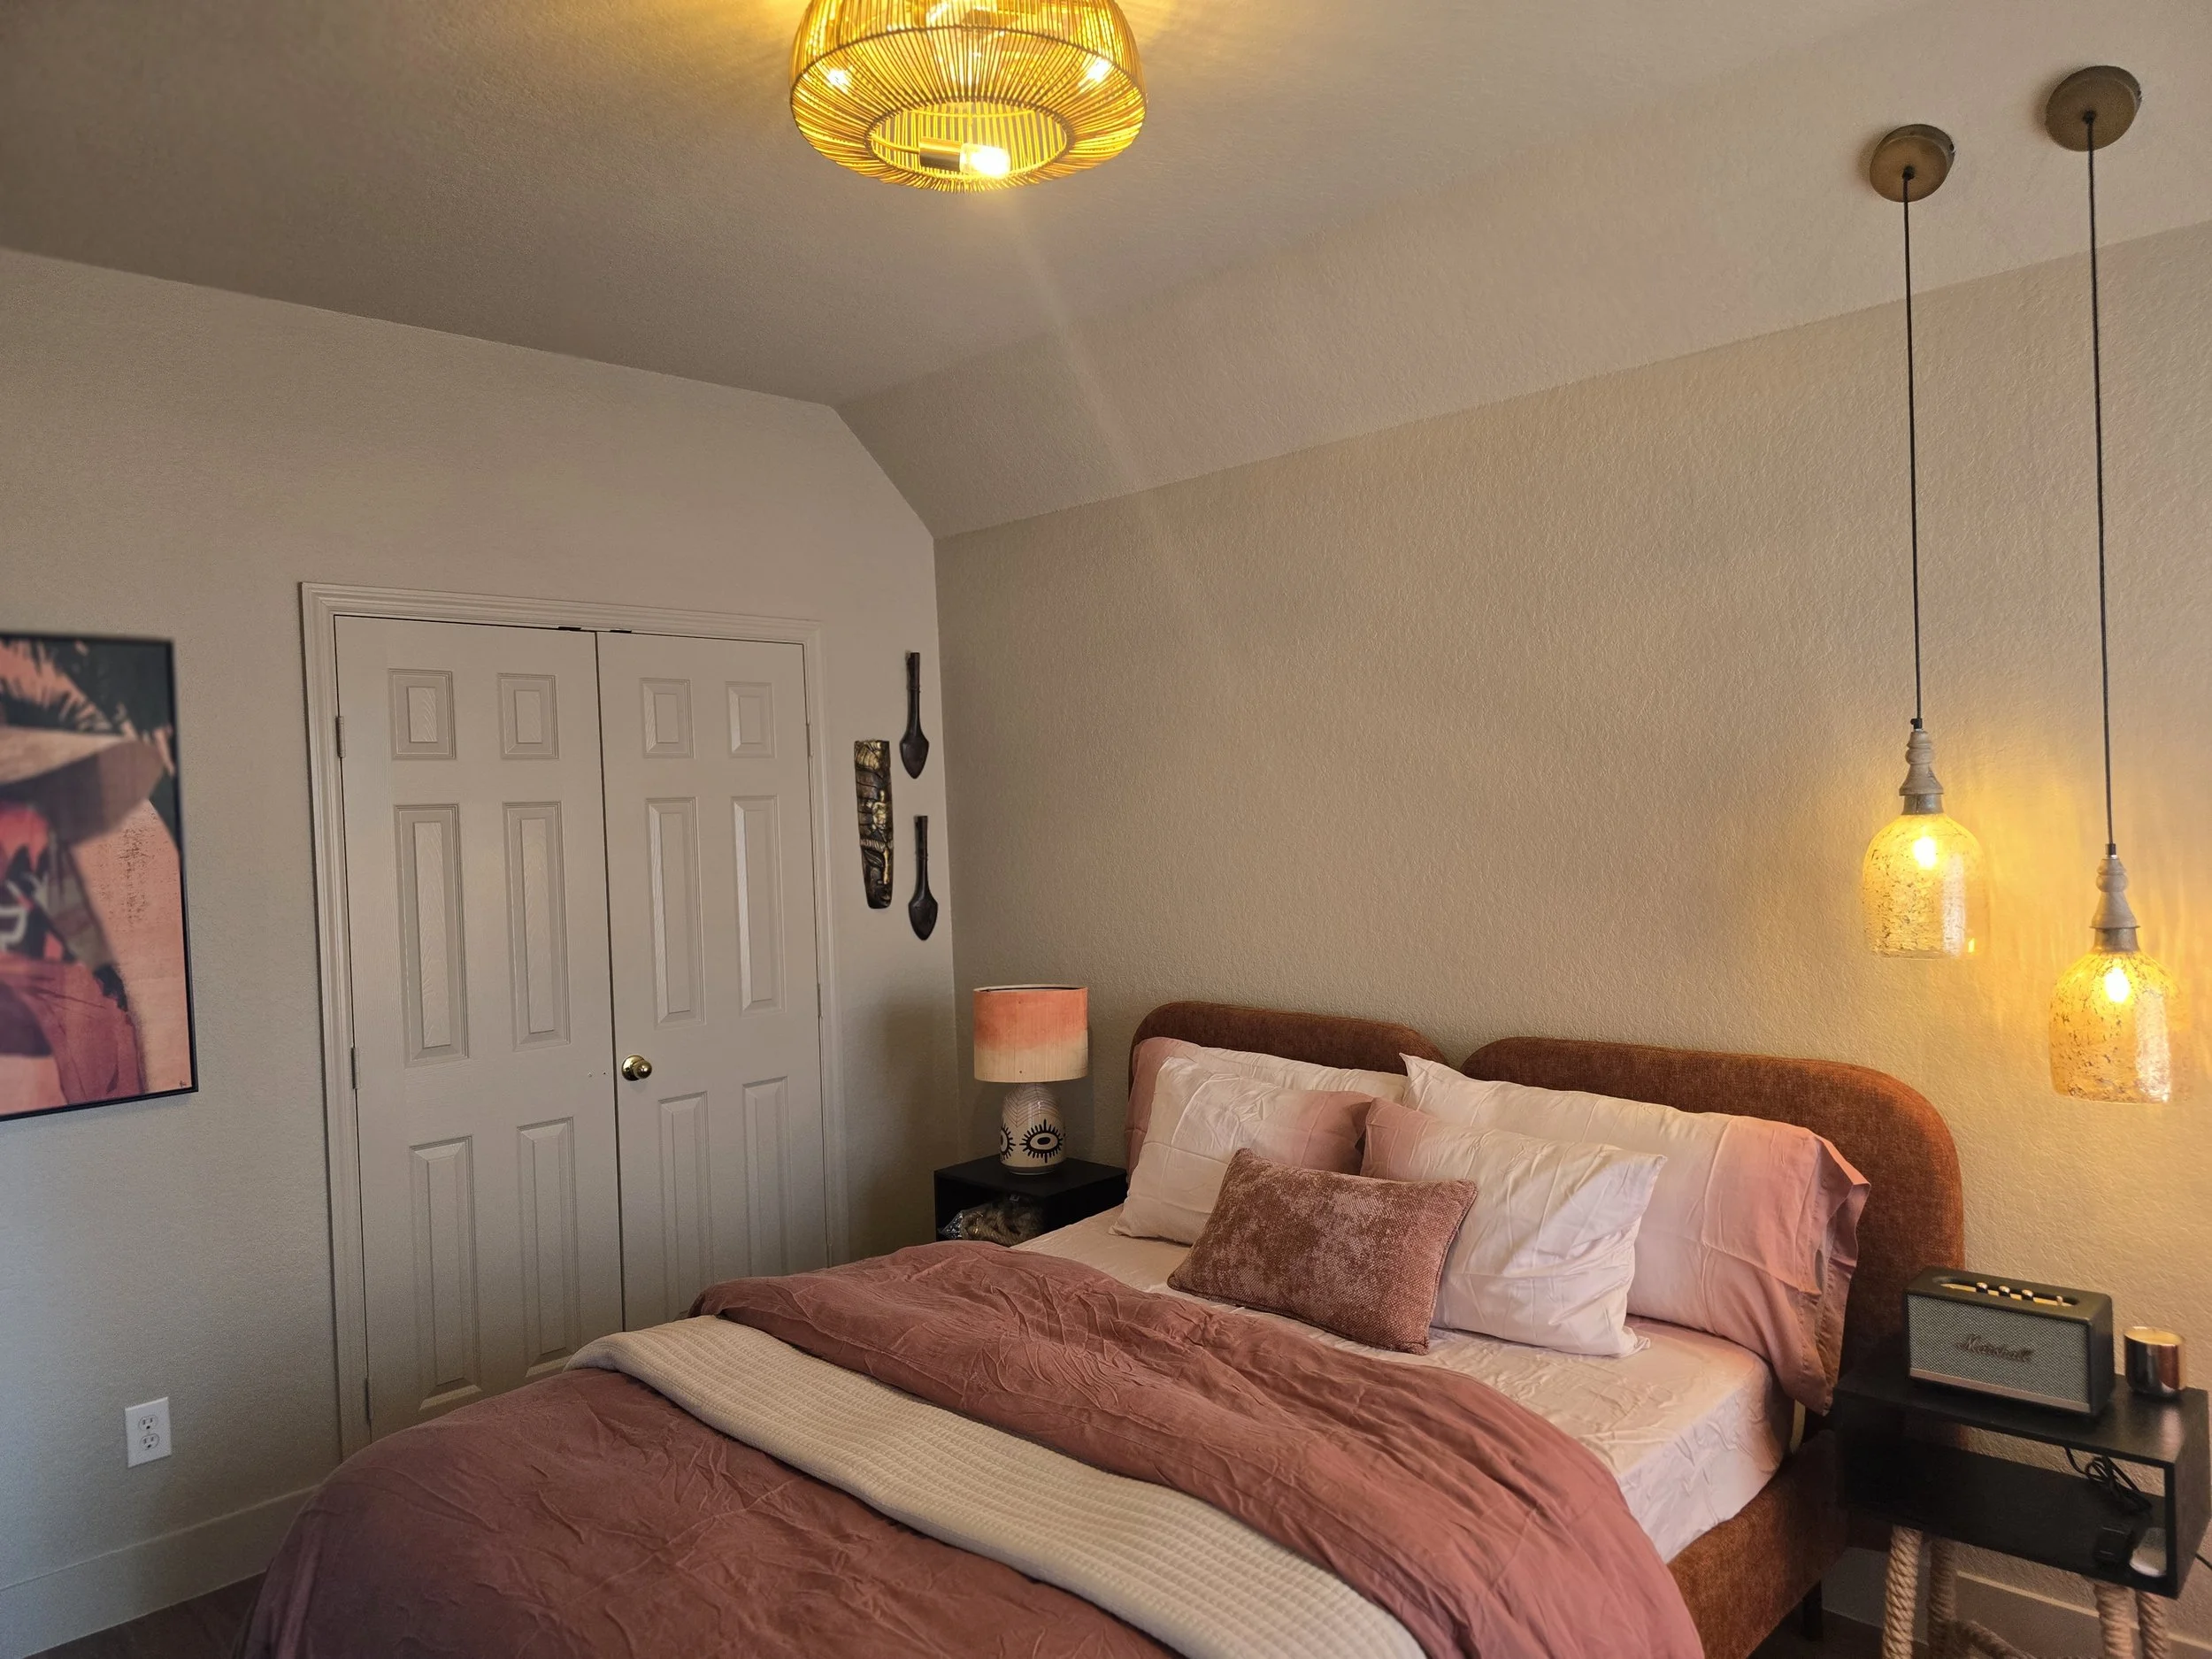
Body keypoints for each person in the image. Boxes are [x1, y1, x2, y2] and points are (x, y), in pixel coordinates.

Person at [0, 726, 186, 1112]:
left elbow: (65, 906)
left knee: (107, 1019)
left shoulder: (29, 822)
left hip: (51, 971)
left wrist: (101, 971)